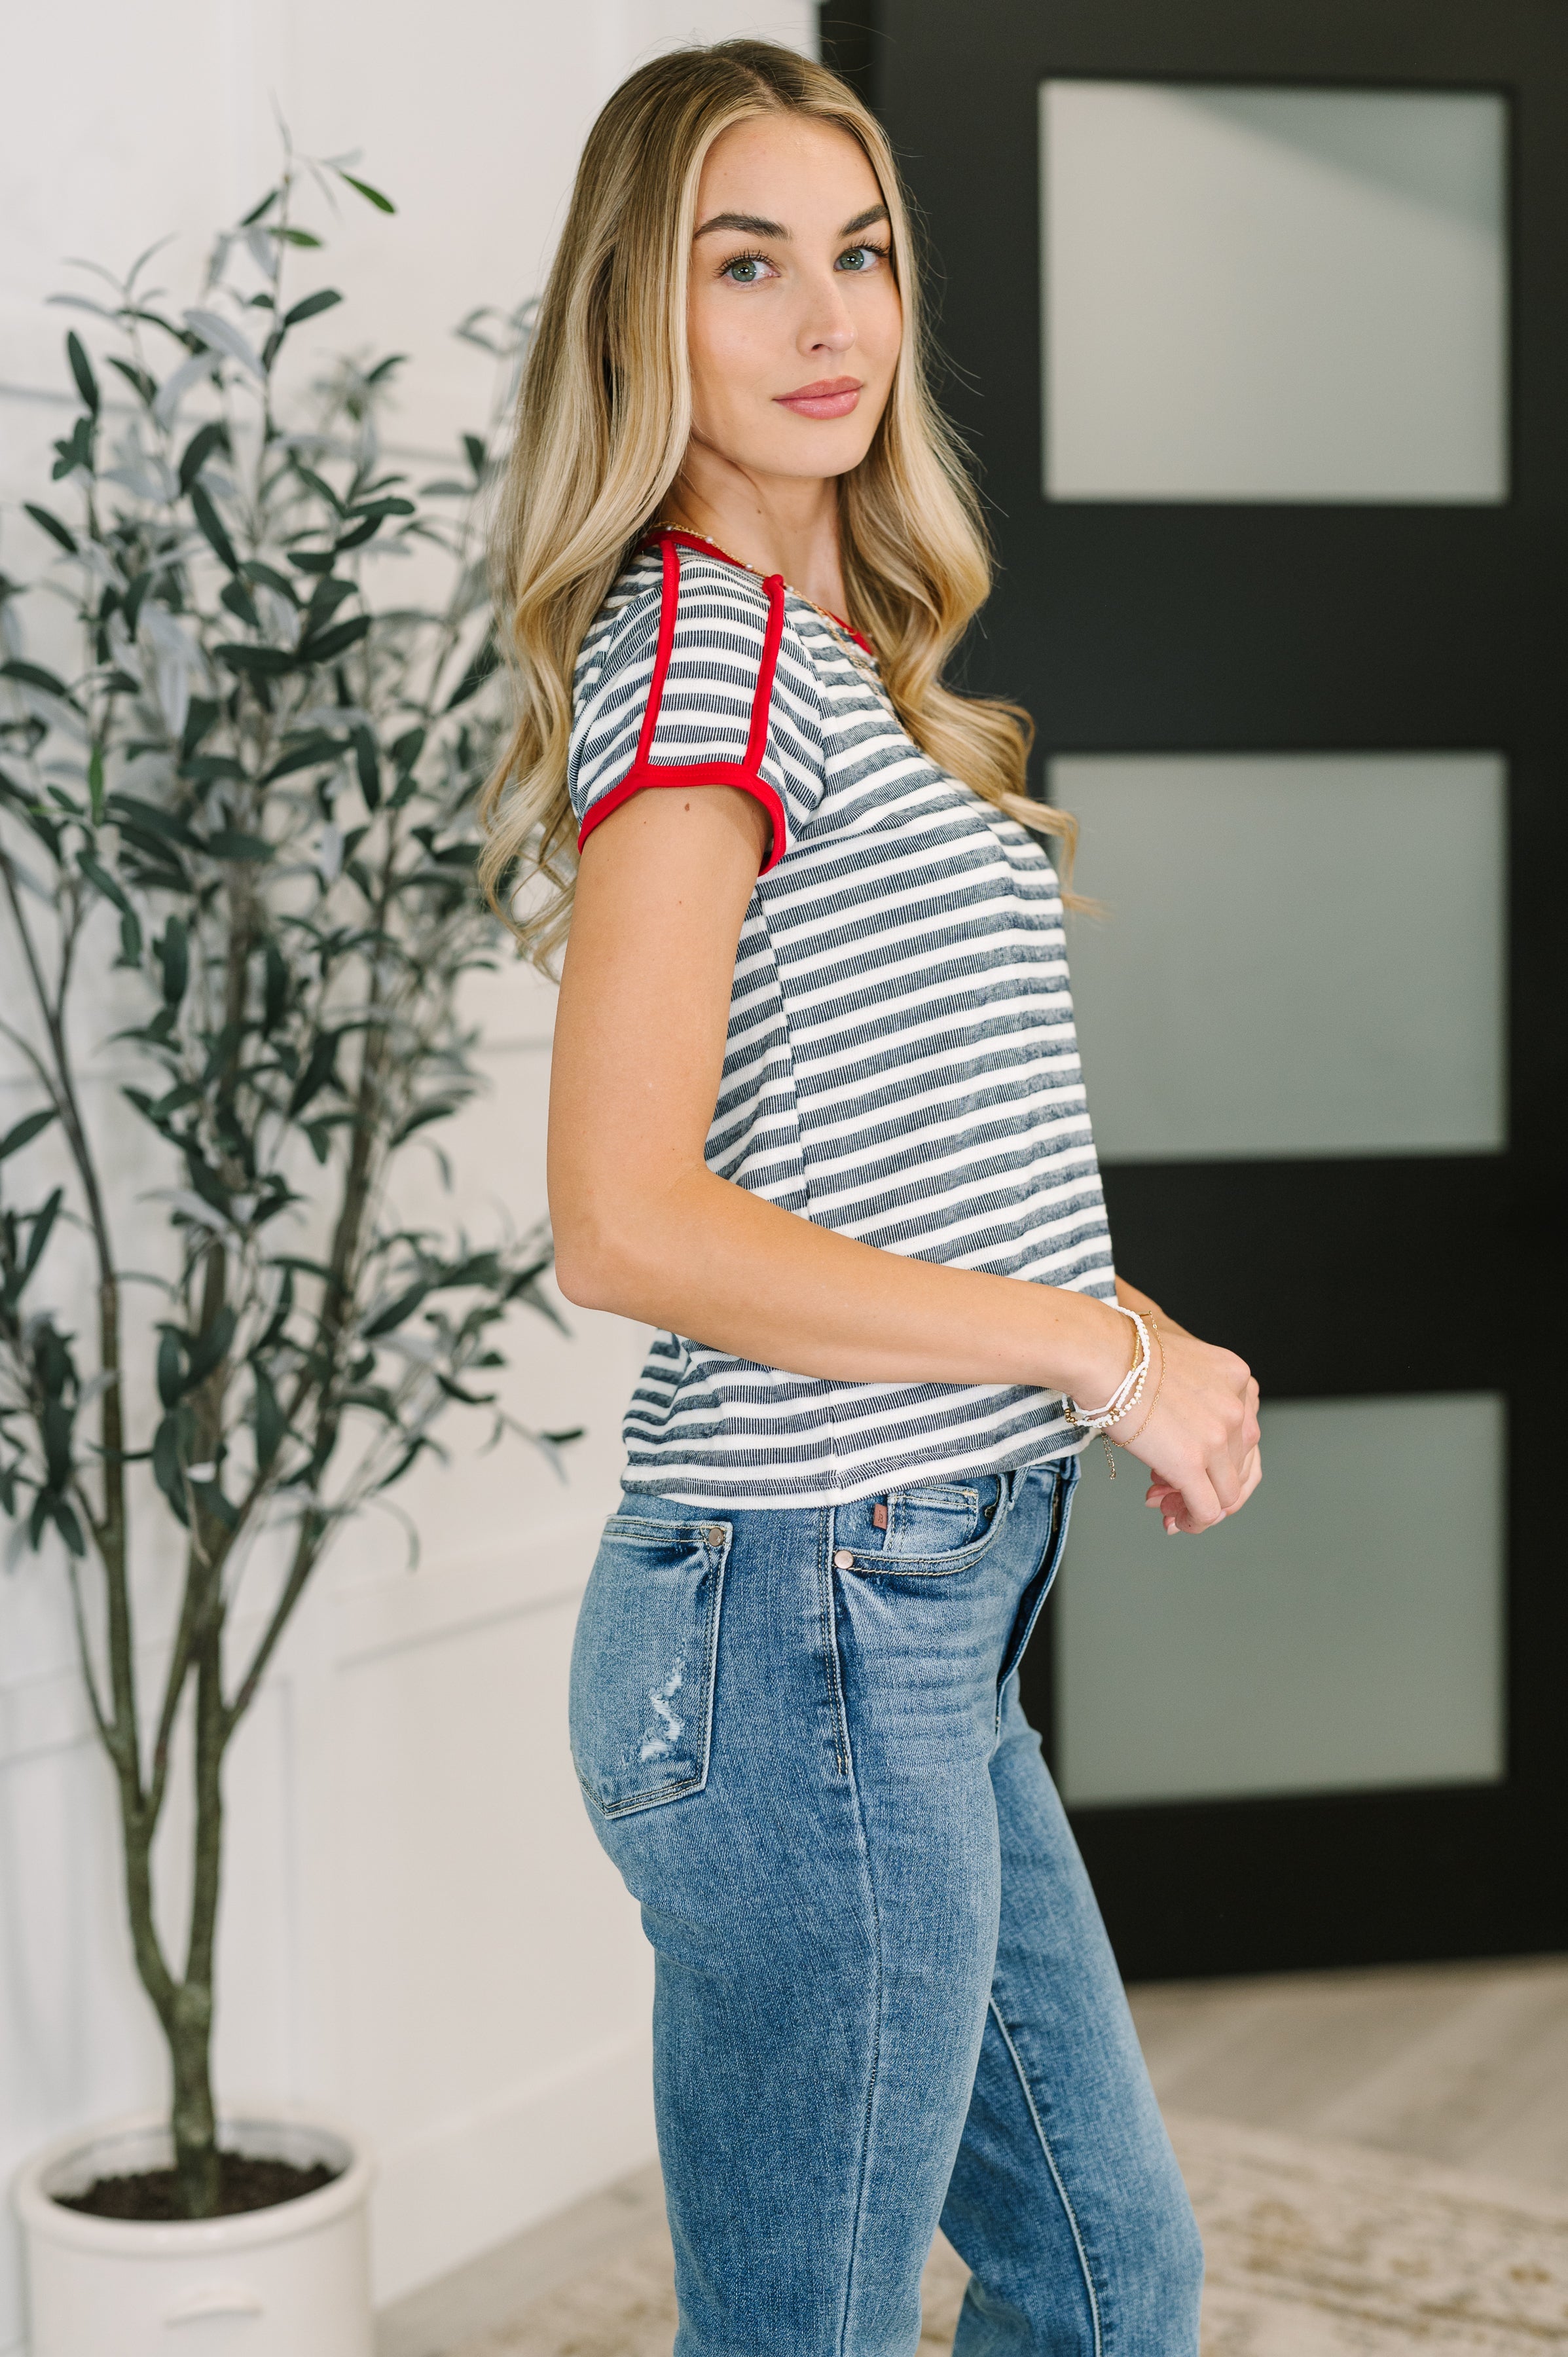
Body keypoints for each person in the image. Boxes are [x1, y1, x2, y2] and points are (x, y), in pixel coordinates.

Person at [479, 39, 1261, 2357]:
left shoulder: (841, 666)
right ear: (647, 316)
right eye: (749, 265)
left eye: (863, 253)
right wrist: (1098, 1349)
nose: (829, 321)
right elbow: (619, 1219)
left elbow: (916, 1157)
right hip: (800, 1619)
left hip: (903, 1625)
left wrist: (1122, 1341)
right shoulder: (704, 657)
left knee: (1110, 2282)